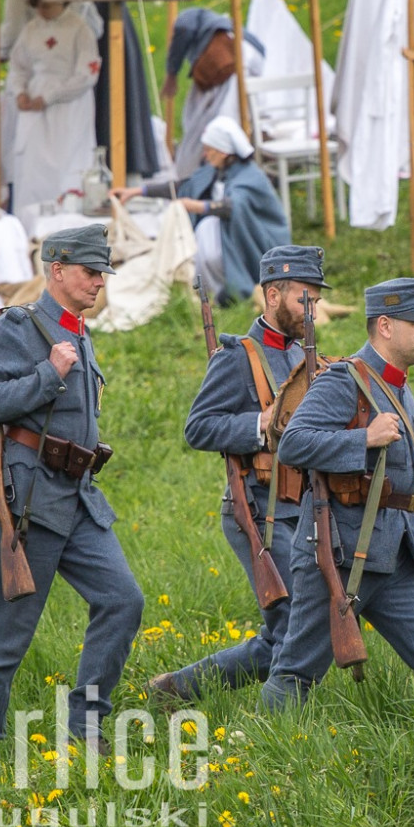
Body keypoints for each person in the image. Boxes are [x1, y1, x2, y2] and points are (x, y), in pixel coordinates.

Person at [0, 224, 143, 749]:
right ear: (57, 271)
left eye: (101, 272)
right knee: (5, 637)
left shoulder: (78, 329)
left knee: (123, 600)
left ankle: (84, 728)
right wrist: (47, 373)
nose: (99, 282)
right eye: (89, 272)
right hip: (29, 503)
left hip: (78, 496)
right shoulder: (19, 327)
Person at [262, 278, 414, 730]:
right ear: (387, 326)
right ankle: (259, 761)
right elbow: (293, 444)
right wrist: (364, 439)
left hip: (393, 550)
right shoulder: (345, 380)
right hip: (338, 552)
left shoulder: (395, 382)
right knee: (297, 670)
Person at [148, 245, 330, 704]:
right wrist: (259, 425)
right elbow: (199, 427)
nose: (313, 309)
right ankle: (280, 722)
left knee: (289, 631)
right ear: (272, 295)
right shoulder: (237, 356)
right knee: (298, 624)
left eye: (316, 299)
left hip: (304, 506)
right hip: (259, 507)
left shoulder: (308, 359)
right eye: (303, 298)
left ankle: (179, 688)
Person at [113, 115, 289, 304]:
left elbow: (234, 206)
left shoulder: (251, 177)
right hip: (226, 238)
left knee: (207, 227)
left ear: (222, 152)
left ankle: (235, 288)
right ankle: (212, 289)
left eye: (208, 150)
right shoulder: (214, 170)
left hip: (253, 242)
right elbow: (184, 186)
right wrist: (138, 191)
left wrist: (195, 206)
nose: (204, 155)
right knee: (205, 231)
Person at [4, 0, 100, 217]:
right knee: (32, 167)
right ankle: (29, 220)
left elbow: (86, 75)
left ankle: (66, 220)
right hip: (34, 106)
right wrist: (20, 91)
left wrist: (50, 96)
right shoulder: (31, 29)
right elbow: (18, 66)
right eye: (37, 5)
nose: (41, 11)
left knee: (66, 163)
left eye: (46, 5)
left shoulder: (80, 29)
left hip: (67, 105)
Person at [163, 7, 265, 178]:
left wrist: (172, 72)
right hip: (252, 58)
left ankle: (198, 171)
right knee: (234, 118)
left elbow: (184, 28)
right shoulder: (217, 24)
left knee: (217, 122)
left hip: (231, 60)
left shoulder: (187, 18)